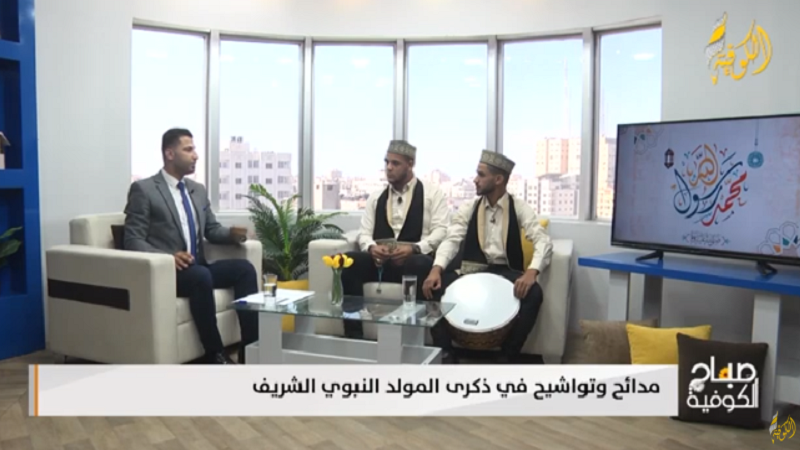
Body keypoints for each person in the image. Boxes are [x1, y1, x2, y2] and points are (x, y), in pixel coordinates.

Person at [123, 128, 258, 364]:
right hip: (169, 272)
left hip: (199, 267)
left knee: (244, 269)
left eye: (194, 149)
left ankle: (252, 350)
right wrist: (168, 257)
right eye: (188, 149)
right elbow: (133, 239)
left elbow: (211, 230)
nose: (195, 155)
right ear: (170, 154)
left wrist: (232, 235)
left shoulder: (197, 190)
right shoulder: (144, 190)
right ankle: (215, 354)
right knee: (200, 276)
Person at [422, 150, 553, 364]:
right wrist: (436, 269)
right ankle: (445, 352)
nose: (475, 179)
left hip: (507, 271)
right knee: (431, 288)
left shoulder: (519, 207)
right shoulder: (469, 207)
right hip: (472, 269)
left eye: (481, 175)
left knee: (534, 294)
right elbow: (451, 239)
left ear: (498, 179)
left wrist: (531, 272)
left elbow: (542, 241)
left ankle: (508, 355)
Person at [341, 139, 450, 339]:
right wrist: (371, 248)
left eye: (395, 163)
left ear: (410, 164)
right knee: (350, 261)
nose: (389, 168)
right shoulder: (376, 197)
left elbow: (441, 231)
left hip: (414, 262)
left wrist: (415, 248)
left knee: (418, 263)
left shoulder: (432, 194)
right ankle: (353, 335)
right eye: (387, 162)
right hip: (381, 264)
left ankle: (415, 339)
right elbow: (364, 233)